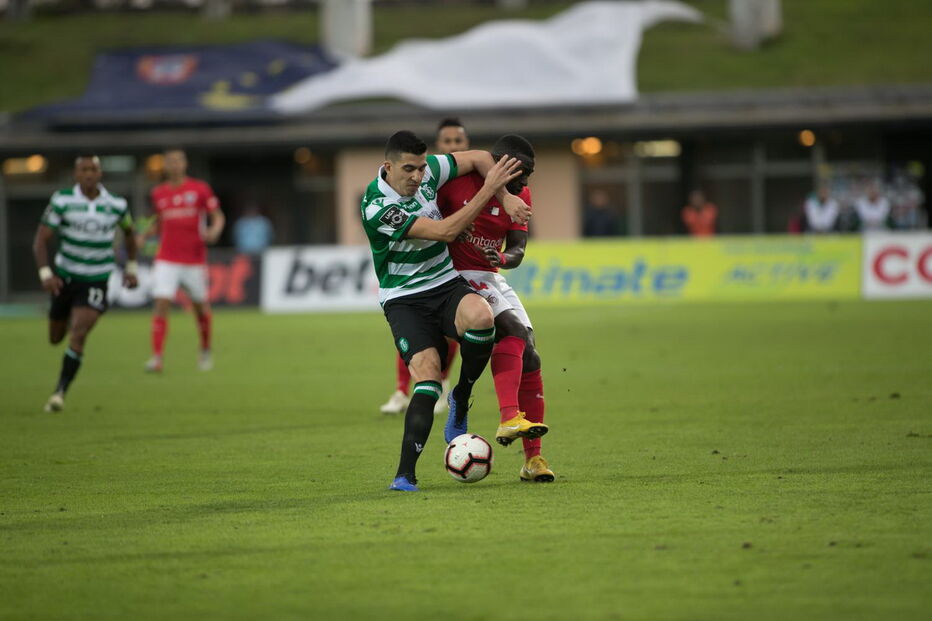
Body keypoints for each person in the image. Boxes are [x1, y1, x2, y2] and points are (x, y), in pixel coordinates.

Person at [361, 130, 531, 491]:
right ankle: (405, 473)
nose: (418, 177)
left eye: (422, 168)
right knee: (427, 376)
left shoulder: (429, 171)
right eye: (409, 169)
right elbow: (444, 231)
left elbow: (482, 157)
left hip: (444, 283)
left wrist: (505, 196)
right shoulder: (377, 207)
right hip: (404, 299)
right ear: (388, 167)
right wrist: (489, 193)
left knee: (483, 317)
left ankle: (462, 396)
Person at [438, 134, 553, 482]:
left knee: (530, 355)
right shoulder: (456, 183)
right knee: (514, 332)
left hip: (491, 275)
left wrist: (501, 257)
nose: (527, 181)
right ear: (502, 162)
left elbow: (518, 248)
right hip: (454, 277)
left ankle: (533, 461)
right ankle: (508, 416)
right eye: (523, 171)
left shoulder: (521, 195)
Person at [33, 153, 139, 412]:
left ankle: (59, 393)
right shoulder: (62, 200)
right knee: (56, 337)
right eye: (84, 169)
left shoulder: (116, 204)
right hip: (66, 277)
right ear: (76, 174)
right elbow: (40, 239)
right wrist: (46, 274)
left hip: (97, 278)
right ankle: (71, 314)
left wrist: (131, 267)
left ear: (100, 173)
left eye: (93, 169)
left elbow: (129, 234)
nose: (89, 174)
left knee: (78, 334)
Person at [379, 118, 470, 416]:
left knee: (455, 328)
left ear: (465, 145)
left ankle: (443, 384)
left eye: (459, 142)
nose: (454, 146)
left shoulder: (469, 181)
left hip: (459, 261)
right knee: (415, 330)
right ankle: (402, 389)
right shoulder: (429, 177)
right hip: (423, 262)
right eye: (448, 142)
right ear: (440, 147)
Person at [140, 148, 225, 373]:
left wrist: (214, 230)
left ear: (185, 164)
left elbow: (218, 216)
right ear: (165, 166)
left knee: (199, 307)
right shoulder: (159, 193)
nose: (175, 165)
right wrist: (143, 235)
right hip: (166, 257)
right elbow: (159, 222)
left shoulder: (199, 189)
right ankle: (157, 357)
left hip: (193, 260)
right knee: (161, 303)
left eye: (179, 161)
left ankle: (205, 349)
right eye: (171, 161)